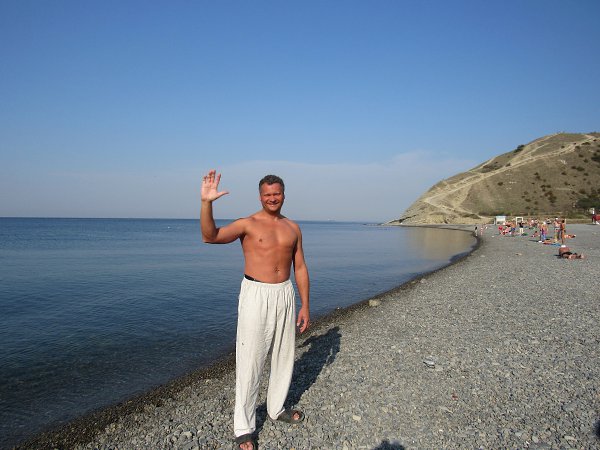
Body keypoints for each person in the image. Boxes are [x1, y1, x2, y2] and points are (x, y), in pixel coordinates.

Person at [200, 170, 310, 450]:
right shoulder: (247, 224)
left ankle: (276, 408)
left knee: (284, 355)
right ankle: (244, 427)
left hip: (285, 293)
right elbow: (210, 236)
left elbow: (300, 267)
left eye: (277, 193)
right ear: (260, 197)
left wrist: (305, 305)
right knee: (250, 359)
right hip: (256, 293)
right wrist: (206, 203)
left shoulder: (293, 228)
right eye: (267, 194)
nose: (272, 198)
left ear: (284, 195)